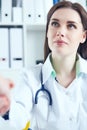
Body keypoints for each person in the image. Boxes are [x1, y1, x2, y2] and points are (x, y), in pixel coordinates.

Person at [0, 1, 87, 130]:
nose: (60, 32)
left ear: (83, 36)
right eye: (55, 24)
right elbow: (19, 116)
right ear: (47, 32)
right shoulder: (30, 76)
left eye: (71, 26)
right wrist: (8, 105)